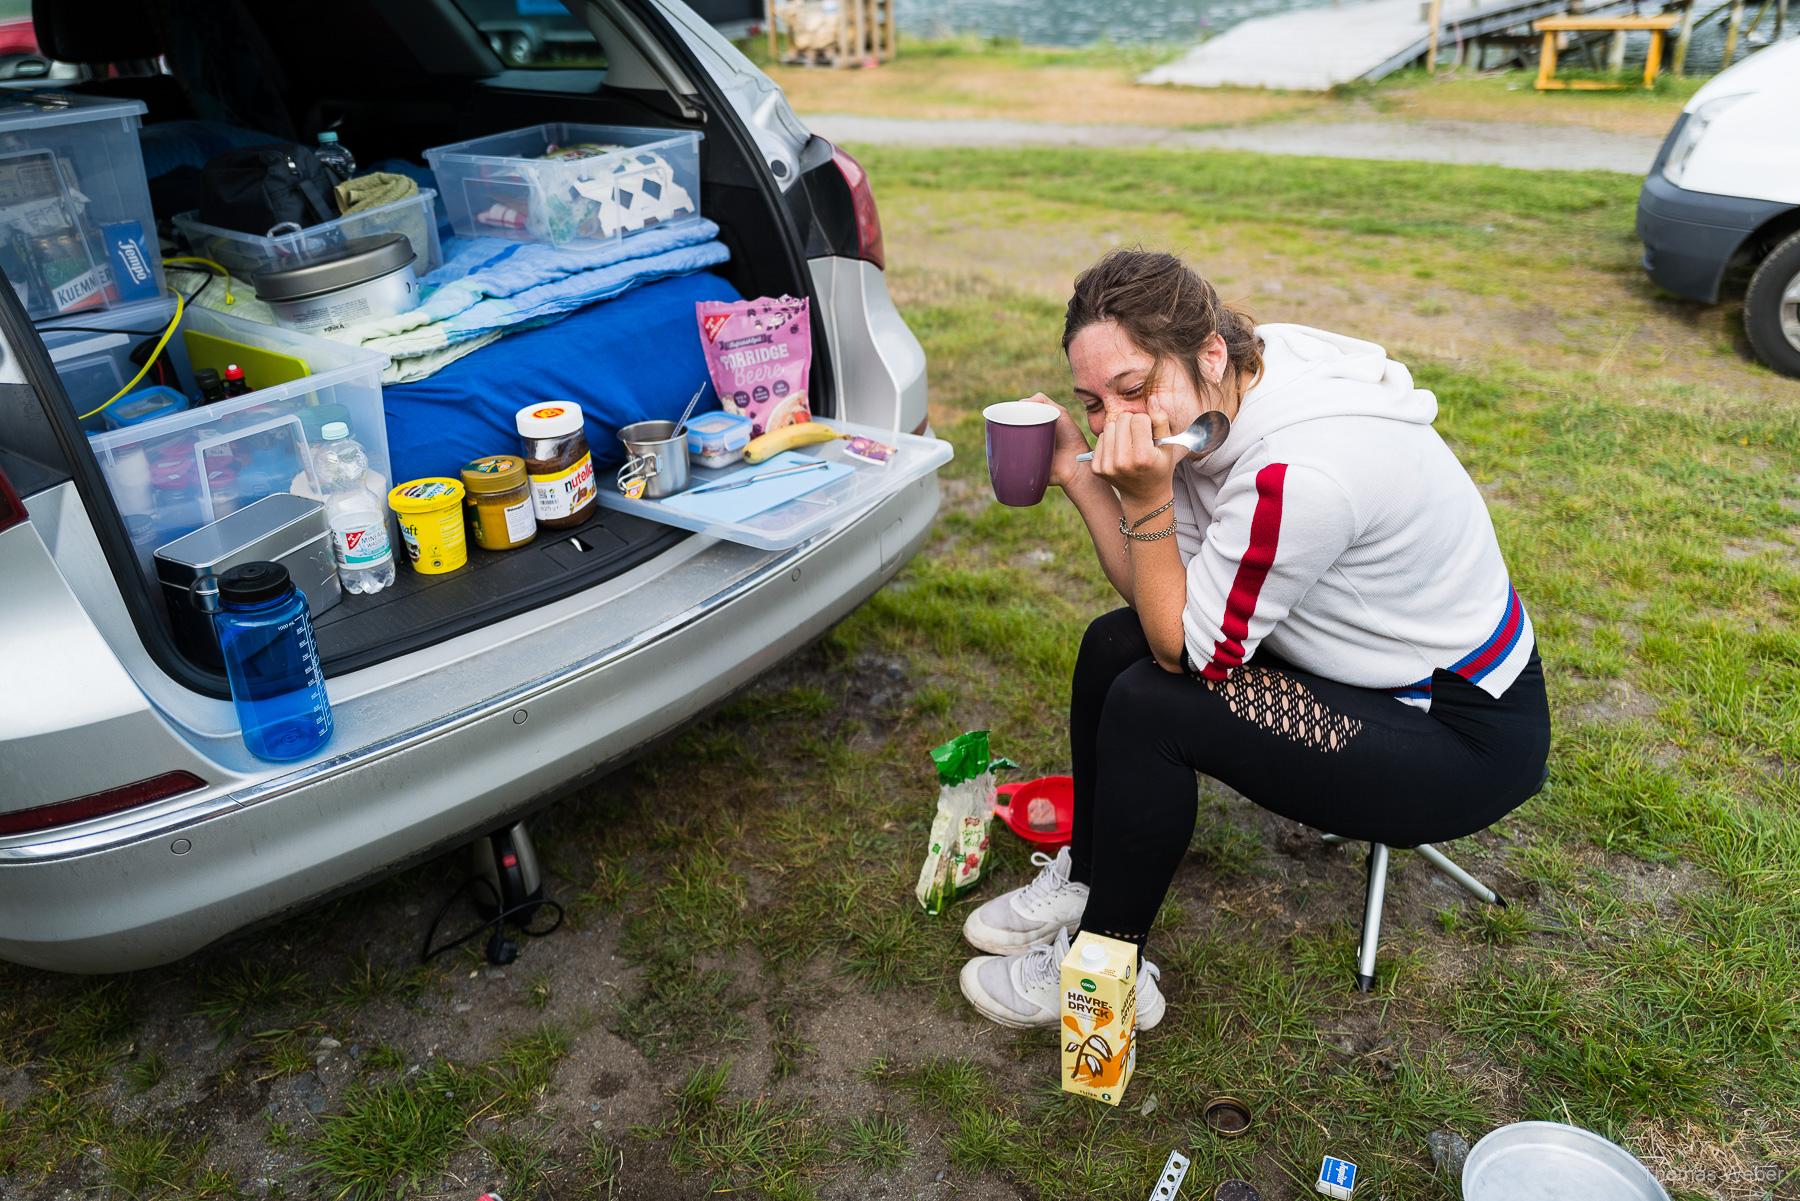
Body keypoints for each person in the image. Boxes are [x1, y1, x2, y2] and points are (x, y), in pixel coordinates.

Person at [958, 249, 1551, 1030]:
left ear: (1210, 351)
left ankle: (1105, 986)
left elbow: (1183, 651)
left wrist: (1141, 498)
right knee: (1113, 648)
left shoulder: (1298, 472)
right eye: (1093, 402)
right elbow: (1159, 600)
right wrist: (1078, 473)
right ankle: (1091, 879)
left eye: (1133, 389)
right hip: (1371, 667)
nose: (1116, 422)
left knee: (1150, 705)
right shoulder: (1225, 389)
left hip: (1457, 731)